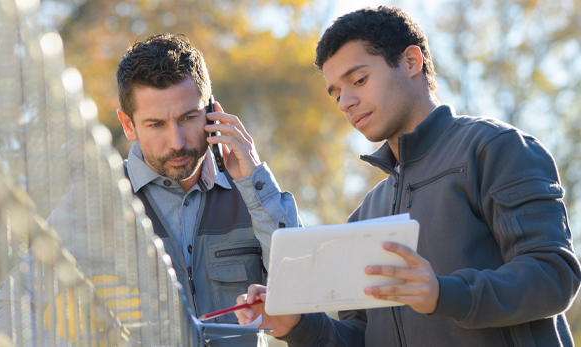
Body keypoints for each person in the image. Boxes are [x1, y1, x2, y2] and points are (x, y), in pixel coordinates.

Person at [235, 6, 581, 347]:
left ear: (412, 62)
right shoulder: (367, 213)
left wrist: (445, 294)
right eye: (337, 93)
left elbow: (554, 274)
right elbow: (361, 338)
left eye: (359, 80)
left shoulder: (495, 149)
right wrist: (296, 326)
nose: (346, 102)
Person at [115, 34, 301, 345]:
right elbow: (18, 305)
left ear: (212, 111)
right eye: (156, 124)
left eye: (188, 118)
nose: (177, 142)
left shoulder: (254, 193)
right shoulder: (97, 199)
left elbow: (302, 287)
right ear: (128, 125)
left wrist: (256, 183)